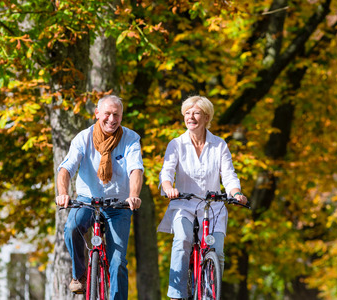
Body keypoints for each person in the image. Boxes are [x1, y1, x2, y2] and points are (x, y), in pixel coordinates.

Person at [157, 95, 248, 300]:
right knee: (182, 240)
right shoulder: (176, 144)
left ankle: (209, 295)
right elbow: (166, 172)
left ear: (206, 117)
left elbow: (229, 174)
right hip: (184, 205)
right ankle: (177, 295)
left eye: (196, 113)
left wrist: (236, 193)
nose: (191, 117)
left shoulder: (219, 145)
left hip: (212, 206)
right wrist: (168, 187)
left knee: (217, 252)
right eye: (187, 113)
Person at [55, 95, 143, 300]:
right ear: (97, 114)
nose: (111, 119)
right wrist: (63, 194)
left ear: (121, 116)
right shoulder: (83, 138)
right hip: (87, 200)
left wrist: (134, 195)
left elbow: (136, 169)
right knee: (71, 228)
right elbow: (65, 169)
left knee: (118, 261)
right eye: (107, 114)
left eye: (116, 115)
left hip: (119, 204)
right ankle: (79, 276)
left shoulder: (131, 138)